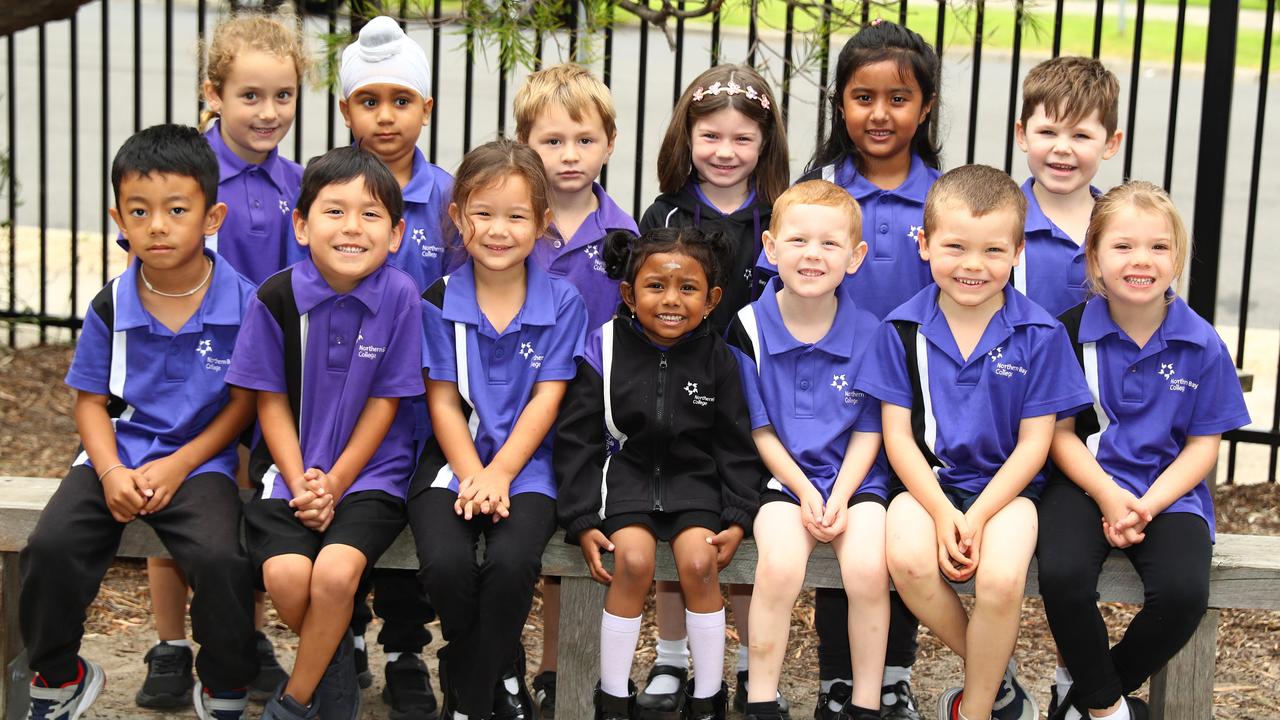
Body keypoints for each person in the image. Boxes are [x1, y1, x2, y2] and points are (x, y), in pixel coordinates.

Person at [20, 123, 260, 720]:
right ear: (118, 218)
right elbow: (89, 402)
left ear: (212, 217)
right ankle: (58, 675)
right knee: (49, 548)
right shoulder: (110, 303)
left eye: (177, 209)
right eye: (140, 210)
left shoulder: (246, 303)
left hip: (199, 462)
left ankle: (223, 686)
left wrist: (180, 464)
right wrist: (107, 472)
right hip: (115, 456)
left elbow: (244, 404)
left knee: (222, 559)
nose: (157, 225)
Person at [856, 165, 1094, 720]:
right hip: (927, 486)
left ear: (1017, 253)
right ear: (925, 244)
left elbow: (1037, 445)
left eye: (992, 251)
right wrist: (942, 514)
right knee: (908, 561)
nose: (972, 265)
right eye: (955, 246)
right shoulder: (901, 329)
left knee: (1003, 577)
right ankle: (992, 669)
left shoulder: (1041, 333)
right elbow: (898, 437)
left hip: (1009, 492)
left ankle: (977, 707)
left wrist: (980, 515)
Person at [770, 18, 944, 719]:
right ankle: (838, 676)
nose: (880, 113)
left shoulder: (942, 197)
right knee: (834, 521)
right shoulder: (817, 196)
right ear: (840, 103)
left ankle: (892, 671)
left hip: (913, 399)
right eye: (862, 96)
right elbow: (775, 293)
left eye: (898, 98)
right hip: (821, 400)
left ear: (925, 106)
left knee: (889, 526)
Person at [137, 12, 309, 708]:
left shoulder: (303, 183)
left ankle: (243, 634)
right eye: (250, 96)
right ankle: (170, 644)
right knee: (172, 497)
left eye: (284, 96)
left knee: (245, 508)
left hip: (269, 381)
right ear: (213, 93)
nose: (269, 113)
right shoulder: (184, 179)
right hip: (190, 378)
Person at [1038, 182, 1250, 720]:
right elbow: (1059, 434)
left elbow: (1204, 446)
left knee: (1182, 594)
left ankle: (1085, 699)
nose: (1141, 260)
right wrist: (1110, 497)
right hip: (1085, 485)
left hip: (1169, 492)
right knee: (1062, 577)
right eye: (1123, 245)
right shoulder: (1066, 334)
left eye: (1159, 247)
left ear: (1177, 258)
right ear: (1094, 257)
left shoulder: (1202, 344)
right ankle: (1109, 710)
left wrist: (1149, 505)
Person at [229, 146, 426, 720]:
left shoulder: (401, 297)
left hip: (370, 475)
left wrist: (335, 484)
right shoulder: (275, 297)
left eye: (370, 215)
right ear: (301, 223)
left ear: (396, 234)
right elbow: (267, 403)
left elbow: (387, 404)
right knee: (288, 576)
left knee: (337, 572)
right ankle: (335, 673)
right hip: (288, 473)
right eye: (334, 211)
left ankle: (293, 702)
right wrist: (300, 482)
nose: (351, 227)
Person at [409, 139, 588, 720]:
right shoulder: (437, 300)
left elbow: (548, 397)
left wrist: (503, 473)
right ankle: (499, 672)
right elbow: (441, 402)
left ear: (541, 224)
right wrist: (474, 476)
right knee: (446, 564)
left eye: (516, 216)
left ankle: (468, 696)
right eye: (482, 213)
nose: (498, 229)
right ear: (458, 216)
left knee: (512, 564)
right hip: (451, 465)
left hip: (528, 466)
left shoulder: (563, 303)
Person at [555, 225, 763, 720]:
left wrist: (738, 513)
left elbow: (735, 442)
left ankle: (708, 697)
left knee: (698, 563)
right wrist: (581, 518)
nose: (672, 300)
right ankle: (613, 698)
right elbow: (577, 439)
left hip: (695, 481)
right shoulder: (600, 350)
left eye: (688, 288)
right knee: (631, 561)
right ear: (628, 294)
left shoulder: (720, 358)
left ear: (712, 300)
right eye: (655, 286)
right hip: (623, 475)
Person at [635, 62, 788, 717]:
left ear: (765, 144)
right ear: (686, 137)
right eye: (710, 136)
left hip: (752, 393)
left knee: (740, 521)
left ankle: (755, 661)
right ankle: (672, 659)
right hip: (677, 389)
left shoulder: (780, 215)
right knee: (678, 521)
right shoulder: (666, 212)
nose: (725, 152)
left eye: (743, 139)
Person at [725, 180, 888, 720]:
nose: (812, 255)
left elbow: (870, 431)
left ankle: (865, 703)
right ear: (770, 248)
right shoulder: (747, 326)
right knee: (778, 566)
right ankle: (761, 701)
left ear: (856, 256)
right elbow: (760, 431)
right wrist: (803, 491)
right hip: (781, 480)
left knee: (867, 568)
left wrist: (839, 495)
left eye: (829, 243)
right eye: (797, 241)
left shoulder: (872, 333)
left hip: (855, 481)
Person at [512, 61, 638, 717]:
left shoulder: (625, 236)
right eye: (551, 141)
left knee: (576, 538)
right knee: (511, 547)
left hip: (592, 421)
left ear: (610, 143)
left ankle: (560, 669)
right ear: (524, 145)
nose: (568, 155)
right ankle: (503, 664)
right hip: (514, 409)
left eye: (584, 140)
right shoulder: (507, 227)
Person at [338, 17, 452, 715]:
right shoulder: (331, 190)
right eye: (369, 100)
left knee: (412, 517)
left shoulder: (448, 199)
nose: (386, 116)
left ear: (426, 109)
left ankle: (406, 647)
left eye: (401, 100)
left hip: (423, 403)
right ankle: (345, 634)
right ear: (346, 109)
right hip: (341, 400)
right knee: (343, 518)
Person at [1012, 56, 1123, 318]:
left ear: (1110, 144)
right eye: (1048, 132)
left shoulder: (1123, 228)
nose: (1062, 148)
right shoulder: (1000, 223)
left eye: (1081, 136)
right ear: (1022, 134)